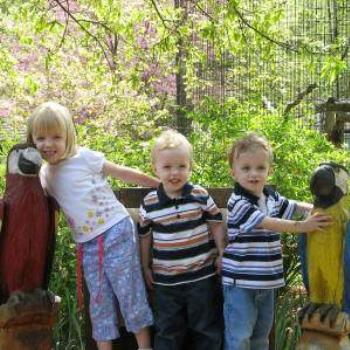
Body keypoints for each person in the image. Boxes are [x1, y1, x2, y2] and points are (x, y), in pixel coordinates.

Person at [26, 101, 157, 350]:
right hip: (87, 244)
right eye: (40, 138)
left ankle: (144, 346)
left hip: (115, 230)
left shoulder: (83, 157)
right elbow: (41, 206)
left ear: (68, 136)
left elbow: (122, 173)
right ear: (32, 139)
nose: (48, 144)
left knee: (128, 292)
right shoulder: (44, 174)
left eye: (56, 136)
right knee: (98, 301)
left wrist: (158, 183)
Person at [222, 132, 332, 350]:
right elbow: (266, 222)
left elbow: (292, 206)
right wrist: (302, 227)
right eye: (246, 168)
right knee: (240, 336)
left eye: (260, 168)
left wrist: (317, 209)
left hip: (267, 282)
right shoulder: (238, 201)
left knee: (261, 337)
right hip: (241, 284)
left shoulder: (270, 197)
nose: (254, 174)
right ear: (233, 172)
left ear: (269, 171)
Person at [138, 129, 226, 350]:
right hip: (166, 282)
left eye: (181, 166)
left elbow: (216, 225)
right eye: (167, 167)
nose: (174, 173)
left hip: (202, 277)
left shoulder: (199, 195)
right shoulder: (149, 203)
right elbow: (145, 237)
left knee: (206, 328)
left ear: (190, 167)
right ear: (155, 168)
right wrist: (145, 266)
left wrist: (222, 253)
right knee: (168, 332)